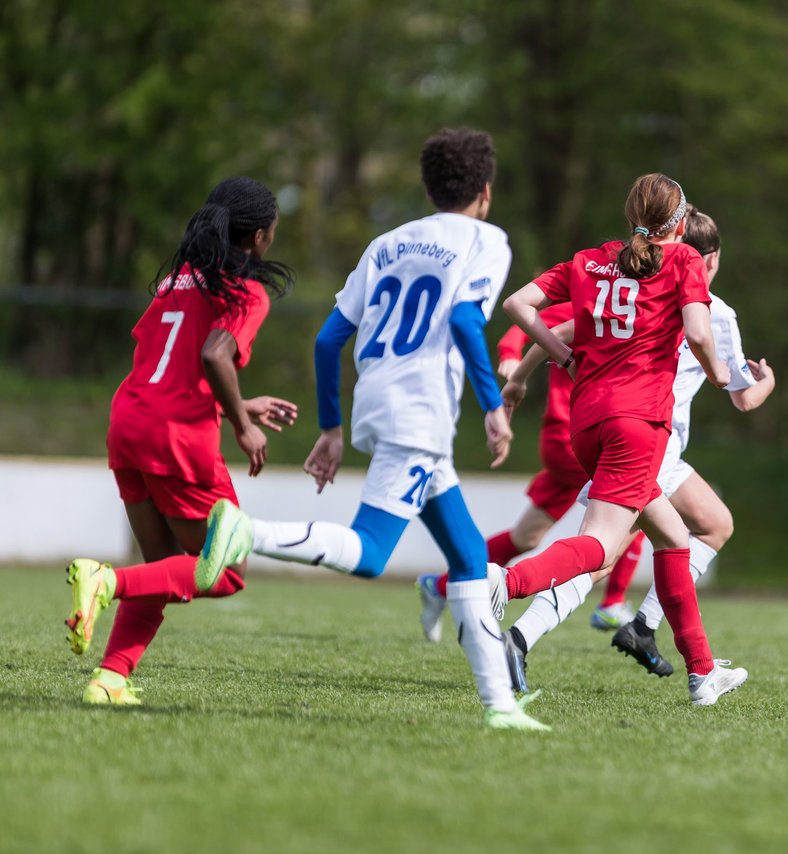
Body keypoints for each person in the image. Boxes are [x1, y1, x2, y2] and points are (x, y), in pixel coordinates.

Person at [195, 128, 545, 731]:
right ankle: (244, 531)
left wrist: (331, 428)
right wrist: (492, 403)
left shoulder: (388, 242)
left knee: (467, 558)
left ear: (429, 186)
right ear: (485, 191)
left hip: (378, 401)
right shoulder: (486, 241)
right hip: (420, 411)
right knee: (370, 554)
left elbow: (330, 338)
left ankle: (502, 708)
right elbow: (464, 317)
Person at [495, 174, 749, 706]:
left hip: (587, 423)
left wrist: (550, 362)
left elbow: (519, 306)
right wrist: (721, 374)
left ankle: (703, 673)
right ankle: (502, 587)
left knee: (676, 540)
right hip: (638, 427)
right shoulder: (682, 262)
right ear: (680, 225)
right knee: (602, 549)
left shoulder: (590, 260)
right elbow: (701, 336)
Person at [62, 177, 297, 705]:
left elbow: (167, 359)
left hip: (130, 421)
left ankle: (110, 679)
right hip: (176, 438)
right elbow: (215, 355)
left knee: (162, 564)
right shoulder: (246, 291)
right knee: (227, 569)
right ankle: (105, 581)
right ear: (258, 236)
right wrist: (242, 421)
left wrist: (234, 402)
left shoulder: (179, 279)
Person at [413, 302, 644, 644]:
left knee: (527, 536)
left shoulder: (644, 302)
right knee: (640, 498)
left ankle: (440, 586)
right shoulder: (594, 300)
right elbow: (521, 324)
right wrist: (510, 354)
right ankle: (611, 602)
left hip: (587, 434)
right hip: (576, 433)